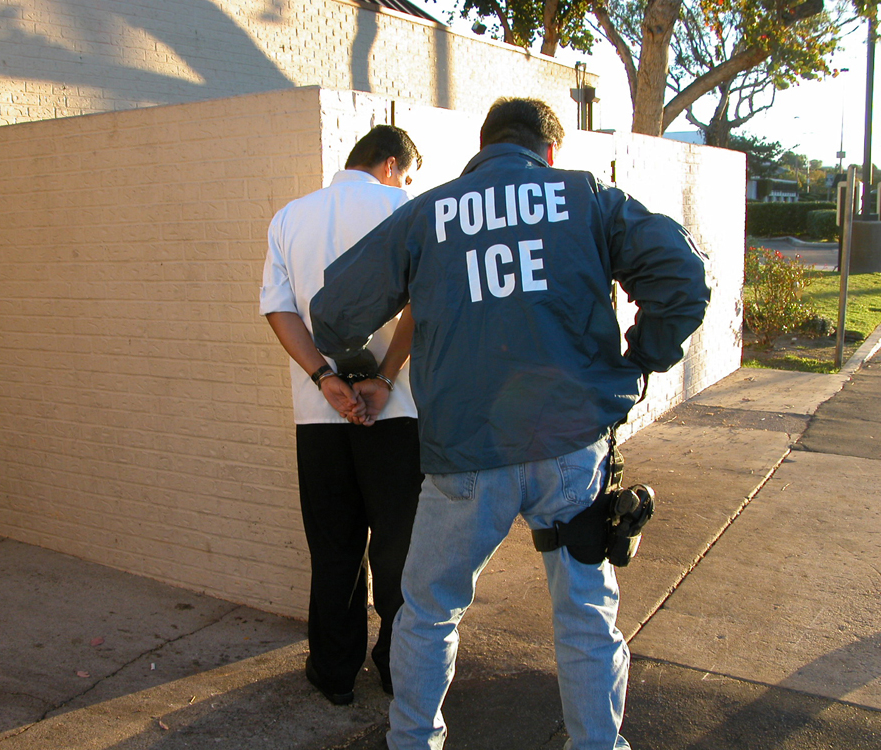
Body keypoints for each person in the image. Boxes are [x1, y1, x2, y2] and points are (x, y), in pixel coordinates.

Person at [309, 98, 710, 748]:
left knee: (429, 612)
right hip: (571, 451)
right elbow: (684, 277)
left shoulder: (429, 213)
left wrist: (366, 365)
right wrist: (640, 363)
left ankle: (412, 742)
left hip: (465, 456)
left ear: (484, 144)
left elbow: (332, 315)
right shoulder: (588, 199)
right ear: (548, 153)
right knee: (585, 616)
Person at [259, 124, 425, 706]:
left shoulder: (290, 217)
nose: (404, 183)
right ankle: (399, 670)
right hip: (397, 413)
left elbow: (278, 310)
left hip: (318, 416)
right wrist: (382, 378)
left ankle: (333, 672)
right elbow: (424, 304)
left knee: (334, 550)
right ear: (390, 164)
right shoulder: (410, 208)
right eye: (406, 173)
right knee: (399, 550)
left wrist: (324, 378)